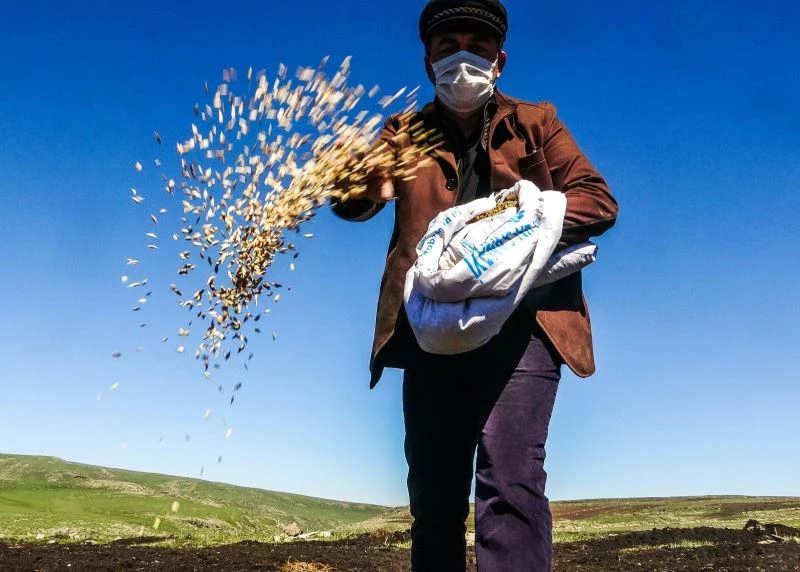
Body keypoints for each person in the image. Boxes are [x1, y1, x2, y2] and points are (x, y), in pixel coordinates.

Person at [332, 1, 618, 570]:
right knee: (434, 499)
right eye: (447, 46)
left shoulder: (538, 123)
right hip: (431, 332)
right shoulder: (403, 135)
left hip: (523, 331)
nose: (463, 57)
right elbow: (359, 200)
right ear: (427, 61)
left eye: (478, 46)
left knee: (510, 484)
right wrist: (348, 178)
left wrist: (519, 220)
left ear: (500, 59)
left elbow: (598, 201)